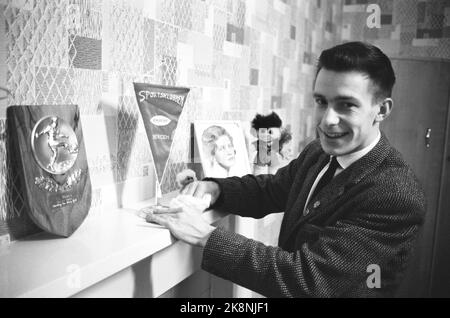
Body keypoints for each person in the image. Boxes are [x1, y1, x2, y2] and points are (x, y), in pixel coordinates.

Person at [148, 42, 426, 297]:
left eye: (347, 105)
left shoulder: (395, 193)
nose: (328, 120)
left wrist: (205, 236)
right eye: (321, 102)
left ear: (382, 109)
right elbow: (271, 190)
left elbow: (307, 279)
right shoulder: (318, 152)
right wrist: (216, 187)